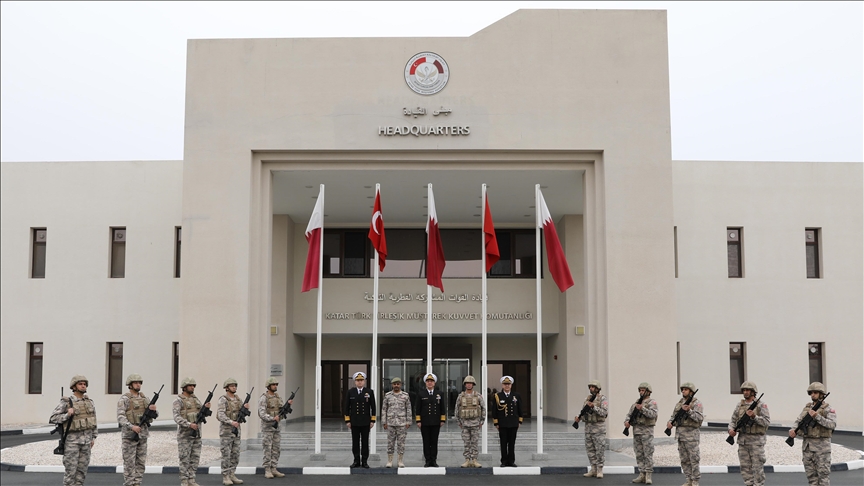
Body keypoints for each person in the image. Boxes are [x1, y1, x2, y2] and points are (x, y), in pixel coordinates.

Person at [50, 375, 97, 486]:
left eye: (84, 384)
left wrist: (93, 437)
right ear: (74, 387)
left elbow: (93, 420)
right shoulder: (67, 402)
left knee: (81, 473)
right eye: (80, 384)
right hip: (72, 443)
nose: (83, 386)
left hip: (86, 442)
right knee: (70, 473)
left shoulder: (89, 402)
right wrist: (67, 415)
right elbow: (53, 418)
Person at [789, 382, 836, 486]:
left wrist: (817, 417)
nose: (813, 395)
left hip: (822, 449)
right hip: (808, 448)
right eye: (811, 393)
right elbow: (798, 421)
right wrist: (793, 430)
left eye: (815, 393)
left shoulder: (828, 409)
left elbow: (832, 424)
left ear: (821, 394)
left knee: (823, 479)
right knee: (811, 479)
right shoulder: (807, 408)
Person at [117, 374, 157, 486]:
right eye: (135, 383)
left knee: (141, 462)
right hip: (130, 435)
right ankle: (129, 483)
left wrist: (154, 410)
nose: (138, 385)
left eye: (139, 383)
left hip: (142, 435)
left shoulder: (145, 399)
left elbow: (154, 415)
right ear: (130, 385)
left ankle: (137, 483)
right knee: (129, 463)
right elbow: (120, 417)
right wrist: (132, 427)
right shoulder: (125, 399)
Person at [728, 381, 770, 486]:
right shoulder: (740, 405)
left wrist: (754, 417)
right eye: (744, 390)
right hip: (743, 442)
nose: (745, 392)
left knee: (757, 468)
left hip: (756, 442)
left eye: (748, 390)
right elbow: (733, 420)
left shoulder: (761, 405)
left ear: (753, 392)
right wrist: (731, 430)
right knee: (745, 468)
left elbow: (766, 422)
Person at [173, 377, 212, 486]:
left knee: (195, 458)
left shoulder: (195, 400)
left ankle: (191, 479)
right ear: (184, 387)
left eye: (193, 386)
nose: (192, 387)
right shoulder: (178, 401)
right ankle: (184, 480)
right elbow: (176, 417)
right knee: (184, 458)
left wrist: (206, 408)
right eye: (190, 385)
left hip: (197, 435)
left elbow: (200, 413)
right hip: (185, 435)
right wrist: (189, 424)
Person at [667, 382, 704, 486]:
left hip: (691, 436)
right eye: (682, 389)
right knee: (684, 460)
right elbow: (674, 416)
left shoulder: (697, 403)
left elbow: (699, 418)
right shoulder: (679, 403)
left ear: (691, 392)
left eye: (685, 389)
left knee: (694, 459)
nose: (683, 391)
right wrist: (670, 422)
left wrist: (689, 411)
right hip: (681, 436)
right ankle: (688, 479)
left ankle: (695, 481)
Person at [257, 377, 292, 479]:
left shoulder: (277, 397)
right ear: (268, 386)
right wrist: (272, 418)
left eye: (276, 385)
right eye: (273, 385)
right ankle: (267, 469)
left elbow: (281, 411)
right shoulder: (264, 398)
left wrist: (288, 406)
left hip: (277, 428)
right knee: (268, 448)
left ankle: (274, 468)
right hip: (267, 427)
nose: (275, 386)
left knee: (276, 448)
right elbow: (262, 413)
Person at [217, 378, 249, 485]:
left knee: (235, 454)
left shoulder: (238, 399)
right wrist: (231, 422)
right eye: (231, 386)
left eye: (235, 386)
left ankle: (232, 474)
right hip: (226, 431)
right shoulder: (223, 399)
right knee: (226, 454)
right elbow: (220, 415)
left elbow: (241, 413)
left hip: (236, 431)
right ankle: (225, 476)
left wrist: (245, 408)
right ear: (226, 388)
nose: (234, 387)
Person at [624, 382, 658, 484]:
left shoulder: (652, 402)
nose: (641, 392)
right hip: (637, 432)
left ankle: (648, 475)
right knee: (639, 454)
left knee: (648, 453)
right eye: (640, 390)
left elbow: (653, 414)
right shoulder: (636, 403)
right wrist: (626, 422)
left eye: (643, 390)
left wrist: (642, 409)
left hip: (647, 432)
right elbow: (629, 414)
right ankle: (642, 474)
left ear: (649, 391)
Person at [575, 380, 608, 478]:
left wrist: (594, 407)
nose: (591, 389)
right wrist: (579, 418)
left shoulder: (602, 399)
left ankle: (600, 469)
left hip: (599, 429)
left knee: (599, 449)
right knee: (590, 450)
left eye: (593, 387)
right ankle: (593, 469)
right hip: (588, 429)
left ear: (597, 388)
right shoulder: (587, 399)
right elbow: (583, 412)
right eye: (590, 387)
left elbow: (604, 413)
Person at [344, 371, 376, 468]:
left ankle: (365, 461)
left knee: (365, 442)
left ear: (364, 381)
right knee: (355, 442)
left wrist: (372, 420)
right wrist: (347, 420)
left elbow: (373, 407)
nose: (360, 382)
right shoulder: (351, 392)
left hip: (365, 421)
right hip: (354, 421)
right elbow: (346, 407)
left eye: (361, 380)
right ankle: (356, 460)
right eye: (358, 380)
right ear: (355, 382)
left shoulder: (369, 392)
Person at [454, 375, 486, 468]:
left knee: (475, 443)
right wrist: (458, 422)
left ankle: (474, 460)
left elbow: (483, 408)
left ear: (473, 384)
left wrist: (482, 421)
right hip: (464, 424)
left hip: (475, 424)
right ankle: (467, 460)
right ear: (465, 385)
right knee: (466, 443)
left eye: (470, 383)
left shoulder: (478, 396)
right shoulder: (461, 396)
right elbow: (457, 409)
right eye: (467, 383)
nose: (469, 385)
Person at [491, 375, 523, 468]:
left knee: (512, 443)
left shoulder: (516, 396)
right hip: (503, 423)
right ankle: (504, 461)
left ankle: (511, 461)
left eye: (508, 384)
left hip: (513, 423)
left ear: (511, 385)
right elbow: (494, 410)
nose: (507, 386)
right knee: (503, 443)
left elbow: (520, 409)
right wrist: (496, 423)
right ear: (502, 385)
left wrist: (520, 421)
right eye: (505, 384)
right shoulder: (498, 396)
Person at [415, 372, 445, 467]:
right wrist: (418, 421)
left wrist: (442, 420)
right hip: (425, 422)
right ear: (425, 383)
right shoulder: (421, 394)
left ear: (434, 383)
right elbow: (418, 408)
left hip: (435, 421)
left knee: (434, 441)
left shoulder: (439, 394)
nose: (430, 383)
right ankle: (427, 460)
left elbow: (442, 407)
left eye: (431, 381)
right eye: (428, 381)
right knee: (426, 442)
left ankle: (434, 460)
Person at [380, 376, 412, 468]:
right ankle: (389, 461)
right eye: (394, 384)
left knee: (401, 443)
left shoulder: (405, 396)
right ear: (392, 385)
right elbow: (384, 409)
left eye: (398, 384)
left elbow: (408, 409)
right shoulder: (387, 396)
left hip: (402, 423)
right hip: (390, 423)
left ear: (400, 385)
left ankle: (400, 461)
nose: (396, 385)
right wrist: (384, 422)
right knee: (390, 443)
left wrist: (408, 421)